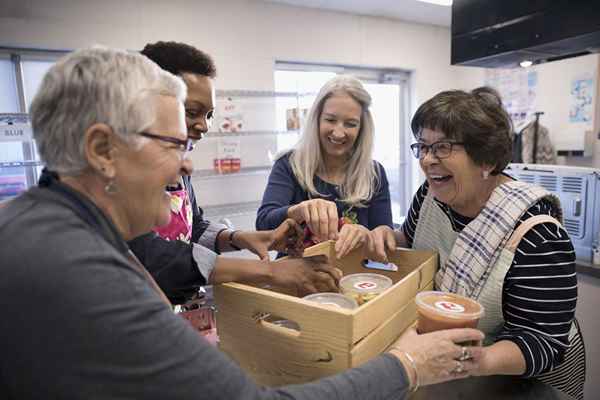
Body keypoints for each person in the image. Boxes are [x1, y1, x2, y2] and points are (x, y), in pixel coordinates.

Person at [0, 46, 486, 399]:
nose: (187, 165)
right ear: (102, 150)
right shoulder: (88, 275)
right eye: (174, 144)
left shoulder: (43, 226)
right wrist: (407, 364)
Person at [368, 87, 586, 400]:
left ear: (485, 158)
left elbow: (541, 342)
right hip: (445, 372)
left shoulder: (537, 235)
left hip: (514, 384)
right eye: (423, 147)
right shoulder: (429, 197)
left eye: (442, 147)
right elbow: (413, 242)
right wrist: (385, 236)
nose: (428, 160)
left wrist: (473, 360)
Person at [127, 41, 339, 303]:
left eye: (209, 115)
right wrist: (268, 271)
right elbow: (154, 254)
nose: (204, 126)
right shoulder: (126, 180)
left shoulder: (180, 168)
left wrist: (243, 238)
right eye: (192, 112)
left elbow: (195, 228)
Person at [256, 75, 393, 258]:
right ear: (317, 119)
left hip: (356, 278)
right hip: (294, 278)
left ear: (362, 127)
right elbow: (264, 224)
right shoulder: (289, 165)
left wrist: (367, 235)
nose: (338, 132)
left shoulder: (374, 174)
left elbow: (384, 234)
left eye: (350, 124)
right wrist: (298, 211)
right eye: (330, 120)